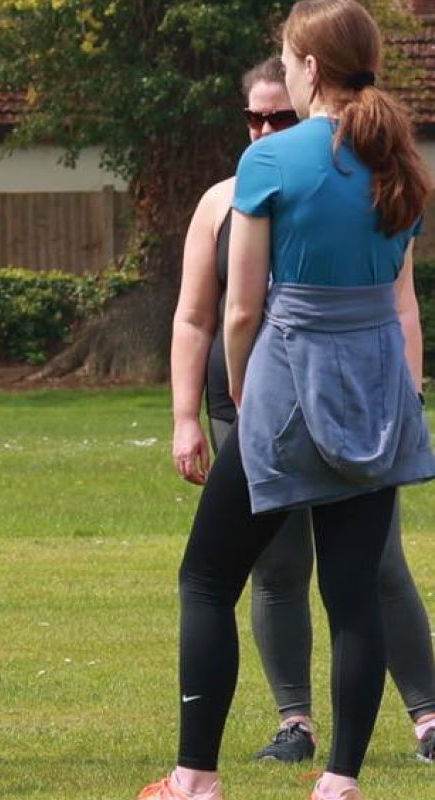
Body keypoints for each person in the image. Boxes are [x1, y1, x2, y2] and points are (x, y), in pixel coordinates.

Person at [141, 2, 435, 799]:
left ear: (308, 67)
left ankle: (194, 778)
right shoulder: (399, 156)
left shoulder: (269, 164)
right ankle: (339, 783)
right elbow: (396, 295)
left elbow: (240, 311)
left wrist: (243, 385)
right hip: (377, 389)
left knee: (206, 578)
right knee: (354, 594)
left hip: (291, 384)